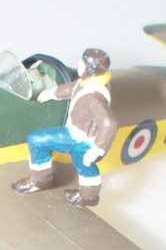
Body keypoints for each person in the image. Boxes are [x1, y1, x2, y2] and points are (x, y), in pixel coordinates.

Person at [11, 49, 118, 206]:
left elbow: (110, 123)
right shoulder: (90, 83)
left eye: (84, 63)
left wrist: (97, 149)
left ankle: (39, 179)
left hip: (77, 137)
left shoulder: (93, 97)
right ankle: (89, 196)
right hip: (84, 137)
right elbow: (73, 88)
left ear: (91, 69)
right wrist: (52, 93)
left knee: (36, 140)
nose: (80, 64)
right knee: (84, 164)